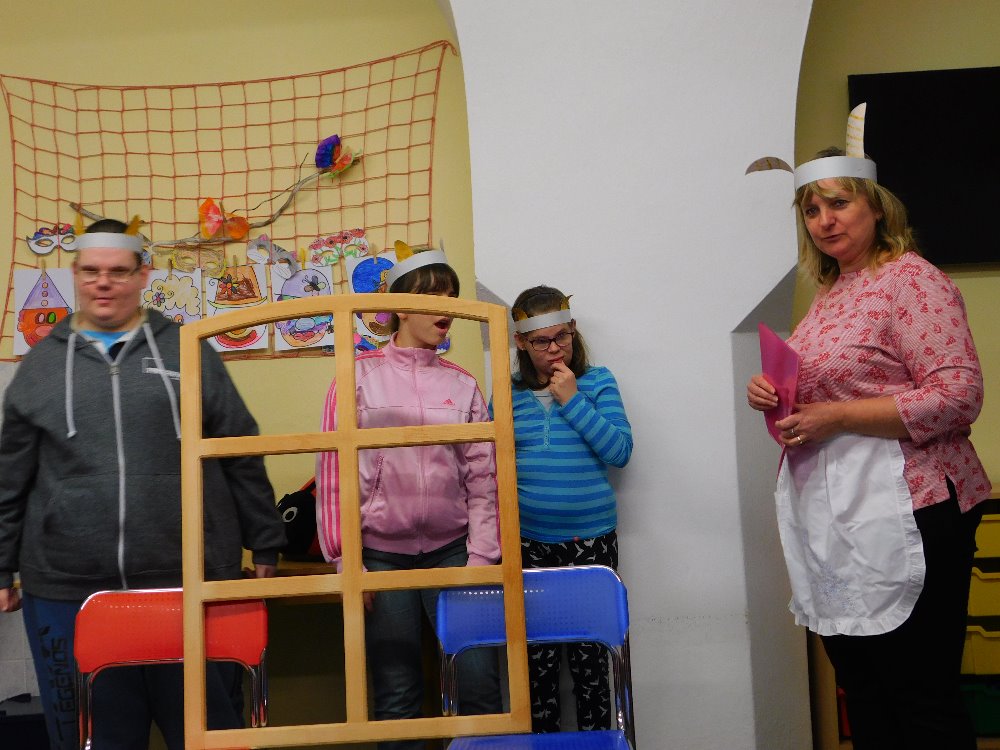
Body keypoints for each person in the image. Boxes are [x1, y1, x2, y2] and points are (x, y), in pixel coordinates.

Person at [0, 218, 286, 750]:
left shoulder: (189, 351)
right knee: (96, 742)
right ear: (75, 274)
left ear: (142, 275)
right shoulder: (40, 366)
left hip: (191, 585)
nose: (103, 283)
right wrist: (1, 565)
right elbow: (11, 475)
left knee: (206, 739)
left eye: (118, 271)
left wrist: (265, 539)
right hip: (69, 591)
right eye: (91, 271)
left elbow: (238, 447)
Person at [747, 142, 991, 749]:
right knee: (866, 688)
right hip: (842, 514)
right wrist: (775, 395)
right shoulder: (831, 293)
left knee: (920, 694)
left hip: (916, 504)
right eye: (811, 210)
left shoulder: (912, 280)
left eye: (838, 204)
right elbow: (824, 399)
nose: (824, 221)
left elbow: (959, 394)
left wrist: (836, 416)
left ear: (876, 207)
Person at [315, 244, 501, 750]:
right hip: (381, 557)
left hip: (455, 552)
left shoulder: (463, 384)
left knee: (480, 687)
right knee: (397, 696)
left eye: (452, 295)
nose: (446, 306)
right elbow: (333, 474)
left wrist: (482, 557)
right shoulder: (356, 376)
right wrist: (347, 559)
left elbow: (483, 477)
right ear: (399, 305)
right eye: (433, 295)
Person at [495, 285, 633, 733]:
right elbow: (490, 466)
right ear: (520, 342)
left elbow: (619, 451)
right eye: (541, 341)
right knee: (538, 667)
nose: (555, 349)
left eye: (562, 337)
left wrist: (572, 399)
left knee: (591, 663)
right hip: (529, 544)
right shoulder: (507, 392)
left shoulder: (598, 382)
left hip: (591, 543)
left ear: (573, 330)